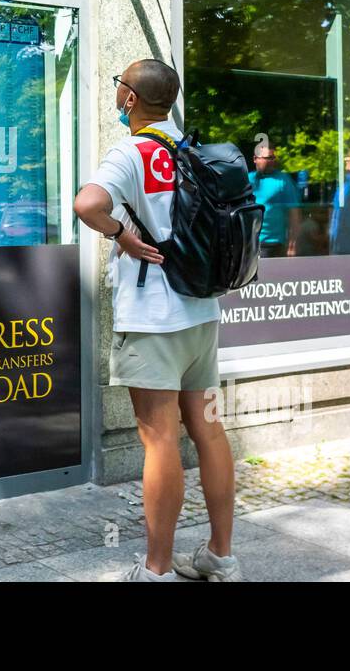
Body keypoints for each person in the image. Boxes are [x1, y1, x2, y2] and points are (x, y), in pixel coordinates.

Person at [73, 59, 242, 582]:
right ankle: (221, 555)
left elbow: (88, 203)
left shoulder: (133, 151)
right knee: (210, 432)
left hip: (153, 322)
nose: (116, 92)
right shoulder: (192, 149)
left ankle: (156, 570)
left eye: (119, 85)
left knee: (160, 440)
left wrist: (120, 232)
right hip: (201, 317)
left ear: (130, 99)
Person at [248, 141, 300, 259]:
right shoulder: (247, 179)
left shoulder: (283, 181)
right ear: (255, 159)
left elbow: (294, 214)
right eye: (268, 158)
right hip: (249, 243)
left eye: (273, 158)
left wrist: (293, 243)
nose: (272, 161)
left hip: (273, 244)